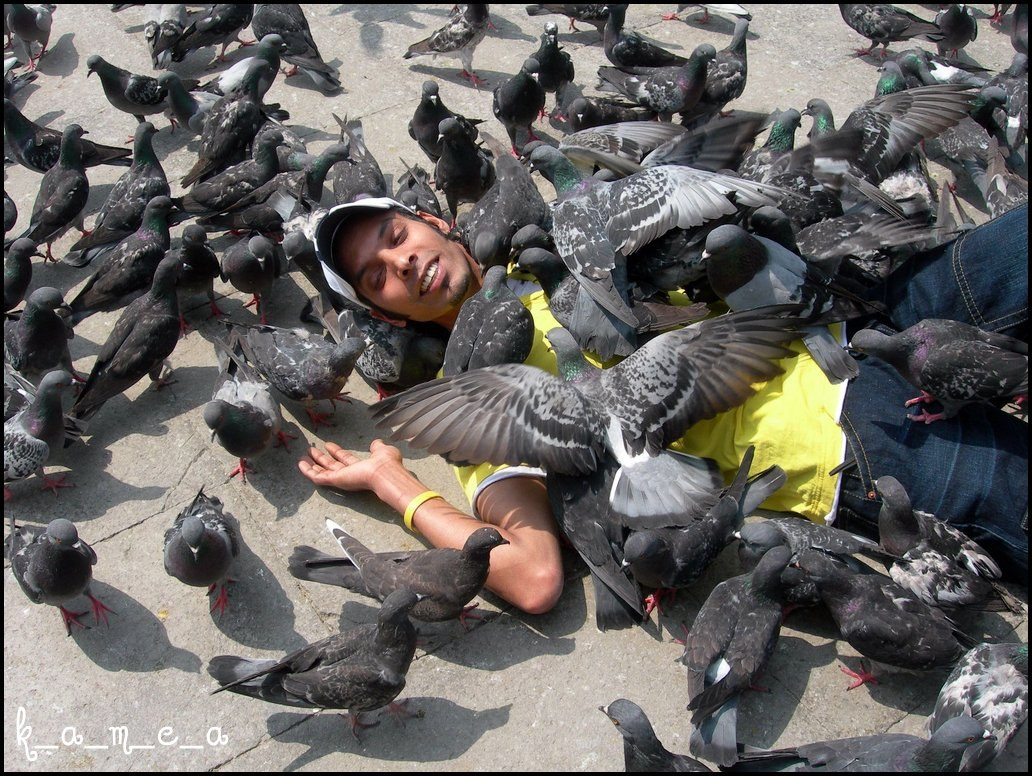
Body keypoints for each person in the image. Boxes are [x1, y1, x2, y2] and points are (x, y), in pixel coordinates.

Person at [298, 196, 1029, 614]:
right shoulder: (475, 404)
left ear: (430, 219)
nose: (401, 262)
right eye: (378, 277)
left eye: (396, 237)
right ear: (386, 315)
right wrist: (396, 482)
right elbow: (531, 575)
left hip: (859, 303)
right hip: (847, 439)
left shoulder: (560, 233)